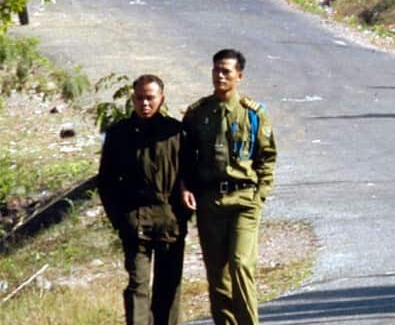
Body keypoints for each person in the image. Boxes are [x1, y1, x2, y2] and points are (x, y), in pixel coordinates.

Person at [181, 49, 277, 325]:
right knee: (217, 275)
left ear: (239, 75)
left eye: (226, 71)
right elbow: (186, 157)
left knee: (241, 264)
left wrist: (261, 194)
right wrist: (187, 188)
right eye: (216, 70)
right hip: (211, 200)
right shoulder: (198, 113)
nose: (220, 76)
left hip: (244, 199)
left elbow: (267, 156)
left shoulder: (253, 114)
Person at [98, 74, 190, 325]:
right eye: (140, 98)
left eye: (150, 98)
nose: (145, 104)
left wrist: (183, 214)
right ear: (133, 99)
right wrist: (119, 219)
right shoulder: (119, 134)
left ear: (161, 99)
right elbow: (105, 181)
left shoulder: (176, 132)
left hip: (170, 219)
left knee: (168, 288)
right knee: (138, 286)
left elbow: (189, 176)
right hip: (134, 220)